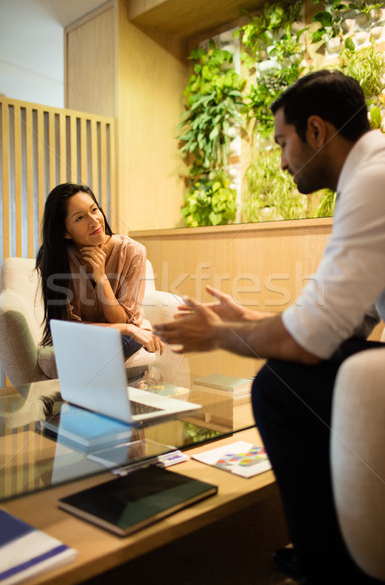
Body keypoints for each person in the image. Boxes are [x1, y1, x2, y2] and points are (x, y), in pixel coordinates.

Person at [154, 70, 385, 584]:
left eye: (283, 142)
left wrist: (217, 334)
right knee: (306, 368)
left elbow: (311, 337)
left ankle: (332, 566)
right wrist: (245, 319)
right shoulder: (370, 176)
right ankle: (332, 541)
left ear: (318, 131)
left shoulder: (372, 181)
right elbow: (342, 323)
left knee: (281, 385)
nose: (281, 160)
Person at [36, 183, 163, 359]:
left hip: (123, 337)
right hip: (89, 337)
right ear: (65, 232)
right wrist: (128, 329)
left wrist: (101, 277)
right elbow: (65, 327)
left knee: (113, 346)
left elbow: (122, 321)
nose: (94, 221)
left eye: (94, 210)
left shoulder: (133, 251)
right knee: (90, 347)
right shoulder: (55, 258)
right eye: (80, 218)